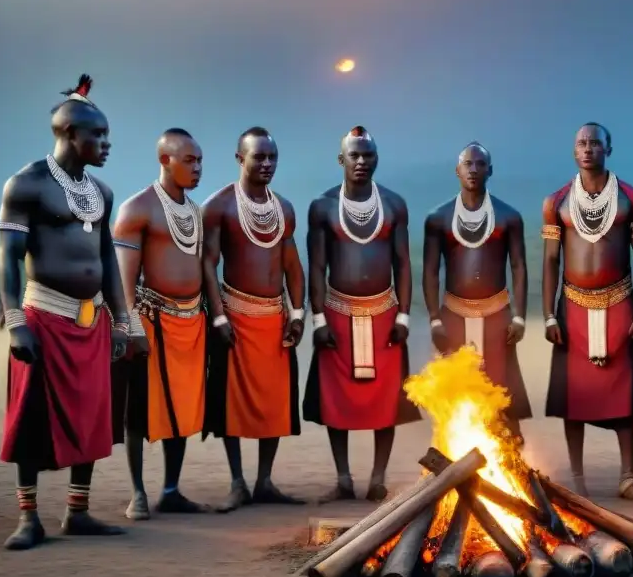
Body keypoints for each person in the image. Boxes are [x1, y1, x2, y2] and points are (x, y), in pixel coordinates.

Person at [0, 74, 128, 550]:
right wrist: (14, 324)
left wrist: (123, 321)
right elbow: (8, 257)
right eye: (98, 135)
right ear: (71, 134)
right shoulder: (26, 185)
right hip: (42, 318)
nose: (106, 144)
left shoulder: (102, 192)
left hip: (91, 319)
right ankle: (28, 517)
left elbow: (107, 258)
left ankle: (79, 511)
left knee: (93, 414)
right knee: (31, 415)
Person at [303, 126, 422, 502]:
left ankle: (378, 477)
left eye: (367, 155)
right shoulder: (322, 207)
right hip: (337, 312)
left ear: (376, 159)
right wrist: (318, 319)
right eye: (353, 155)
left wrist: (404, 316)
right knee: (336, 399)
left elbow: (403, 264)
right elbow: (317, 267)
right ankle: (343, 478)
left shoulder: (393, 205)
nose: (360, 162)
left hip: (384, 313)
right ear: (341, 160)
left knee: (385, 401)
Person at [541, 123, 633, 503]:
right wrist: (549, 315)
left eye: (594, 142)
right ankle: (577, 479)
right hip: (571, 304)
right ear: (573, 150)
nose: (587, 148)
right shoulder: (556, 201)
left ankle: (629, 477)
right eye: (581, 143)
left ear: (609, 147)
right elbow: (551, 261)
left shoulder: (631, 199)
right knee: (573, 396)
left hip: (620, 302)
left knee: (623, 391)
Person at [201, 127, 306, 512]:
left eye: (272, 158)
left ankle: (264, 481)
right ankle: (237, 482)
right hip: (234, 316)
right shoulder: (219, 206)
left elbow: (293, 267)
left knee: (275, 402)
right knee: (231, 401)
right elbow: (208, 265)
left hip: (274, 318)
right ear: (239, 158)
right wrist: (218, 318)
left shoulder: (284, 209)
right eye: (258, 157)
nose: (266, 164)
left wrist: (297, 313)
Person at [111, 128, 210, 519]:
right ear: (164, 160)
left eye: (200, 160)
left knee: (183, 409)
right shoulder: (137, 209)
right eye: (190, 160)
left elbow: (203, 267)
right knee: (139, 409)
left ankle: (171, 489)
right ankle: (137, 492)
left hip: (191, 323)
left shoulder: (195, 212)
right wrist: (131, 327)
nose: (198, 168)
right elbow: (123, 282)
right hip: (149, 323)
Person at [422, 142, 532, 440]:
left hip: (498, 316)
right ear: (457, 171)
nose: (473, 169)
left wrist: (519, 318)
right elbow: (431, 272)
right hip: (454, 316)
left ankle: (511, 463)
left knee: (503, 390)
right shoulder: (438, 218)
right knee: (456, 392)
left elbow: (519, 268)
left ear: (490, 170)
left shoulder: (509, 217)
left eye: (479, 164)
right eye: (467, 164)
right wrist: (434, 319)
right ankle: (455, 458)